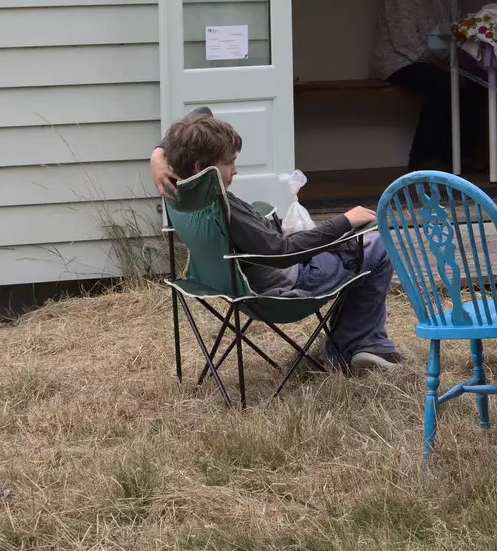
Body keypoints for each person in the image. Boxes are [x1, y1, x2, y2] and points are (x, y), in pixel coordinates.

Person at [149, 110, 403, 372]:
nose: (235, 170)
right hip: (289, 281)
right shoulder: (226, 210)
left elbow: (200, 114)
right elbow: (282, 252)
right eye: (229, 163)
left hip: (232, 282)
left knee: (353, 247)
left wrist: (157, 155)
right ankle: (358, 346)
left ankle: (354, 341)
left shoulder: (181, 192)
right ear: (203, 167)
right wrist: (344, 221)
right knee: (377, 248)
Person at [372, 0, 481, 169]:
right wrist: (448, 68)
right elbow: (406, 44)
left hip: (441, 60)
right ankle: (422, 159)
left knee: (476, 82)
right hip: (400, 61)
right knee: (442, 85)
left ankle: (459, 155)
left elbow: (457, 27)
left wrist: (457, 65)